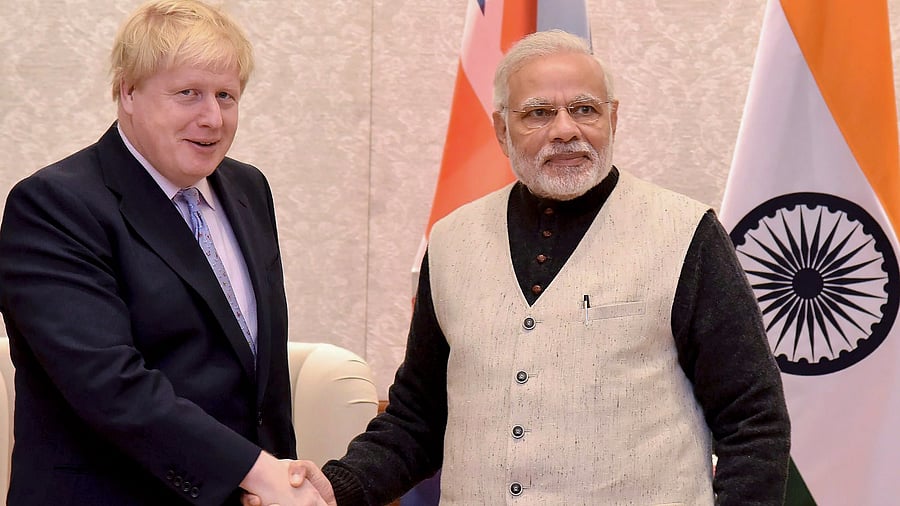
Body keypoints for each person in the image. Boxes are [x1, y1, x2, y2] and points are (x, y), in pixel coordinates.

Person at [254, 29, 792, 506]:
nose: (565, 130)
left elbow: (754, 423)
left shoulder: (686, 233)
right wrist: (333, 489)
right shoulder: (450, 242)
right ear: (500, 130)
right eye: (538, 112)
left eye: (585, 109)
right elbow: (419, 417)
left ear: (613, 118)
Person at [0, 1, 328, 504]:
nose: (212, 117)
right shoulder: (54, 205)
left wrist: (278, 478)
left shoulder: (247, 187)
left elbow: (257, 369)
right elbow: (110, 385)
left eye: (226, 95)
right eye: (188, 94)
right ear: (128, 91)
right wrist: (257, 472)